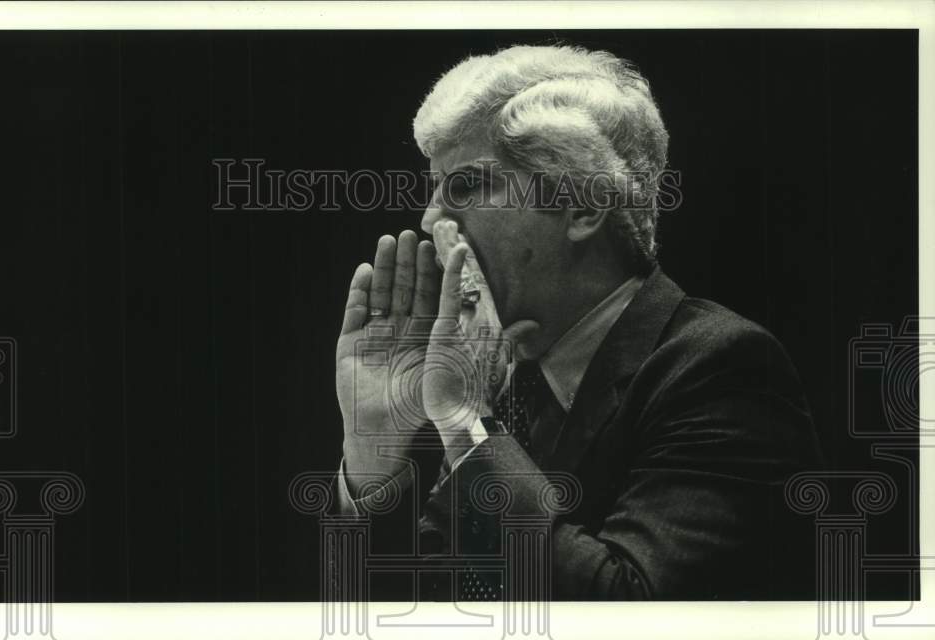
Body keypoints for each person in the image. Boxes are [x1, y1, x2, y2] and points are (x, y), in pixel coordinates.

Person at [331, 45, 823, 600]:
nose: (430, 217)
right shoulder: (488, 378)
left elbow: (630, 608)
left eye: (465, 185)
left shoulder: (722, 368)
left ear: (584, 205)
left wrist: (468, 421)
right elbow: (397, 611)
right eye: (435, 189)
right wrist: (373, 454)